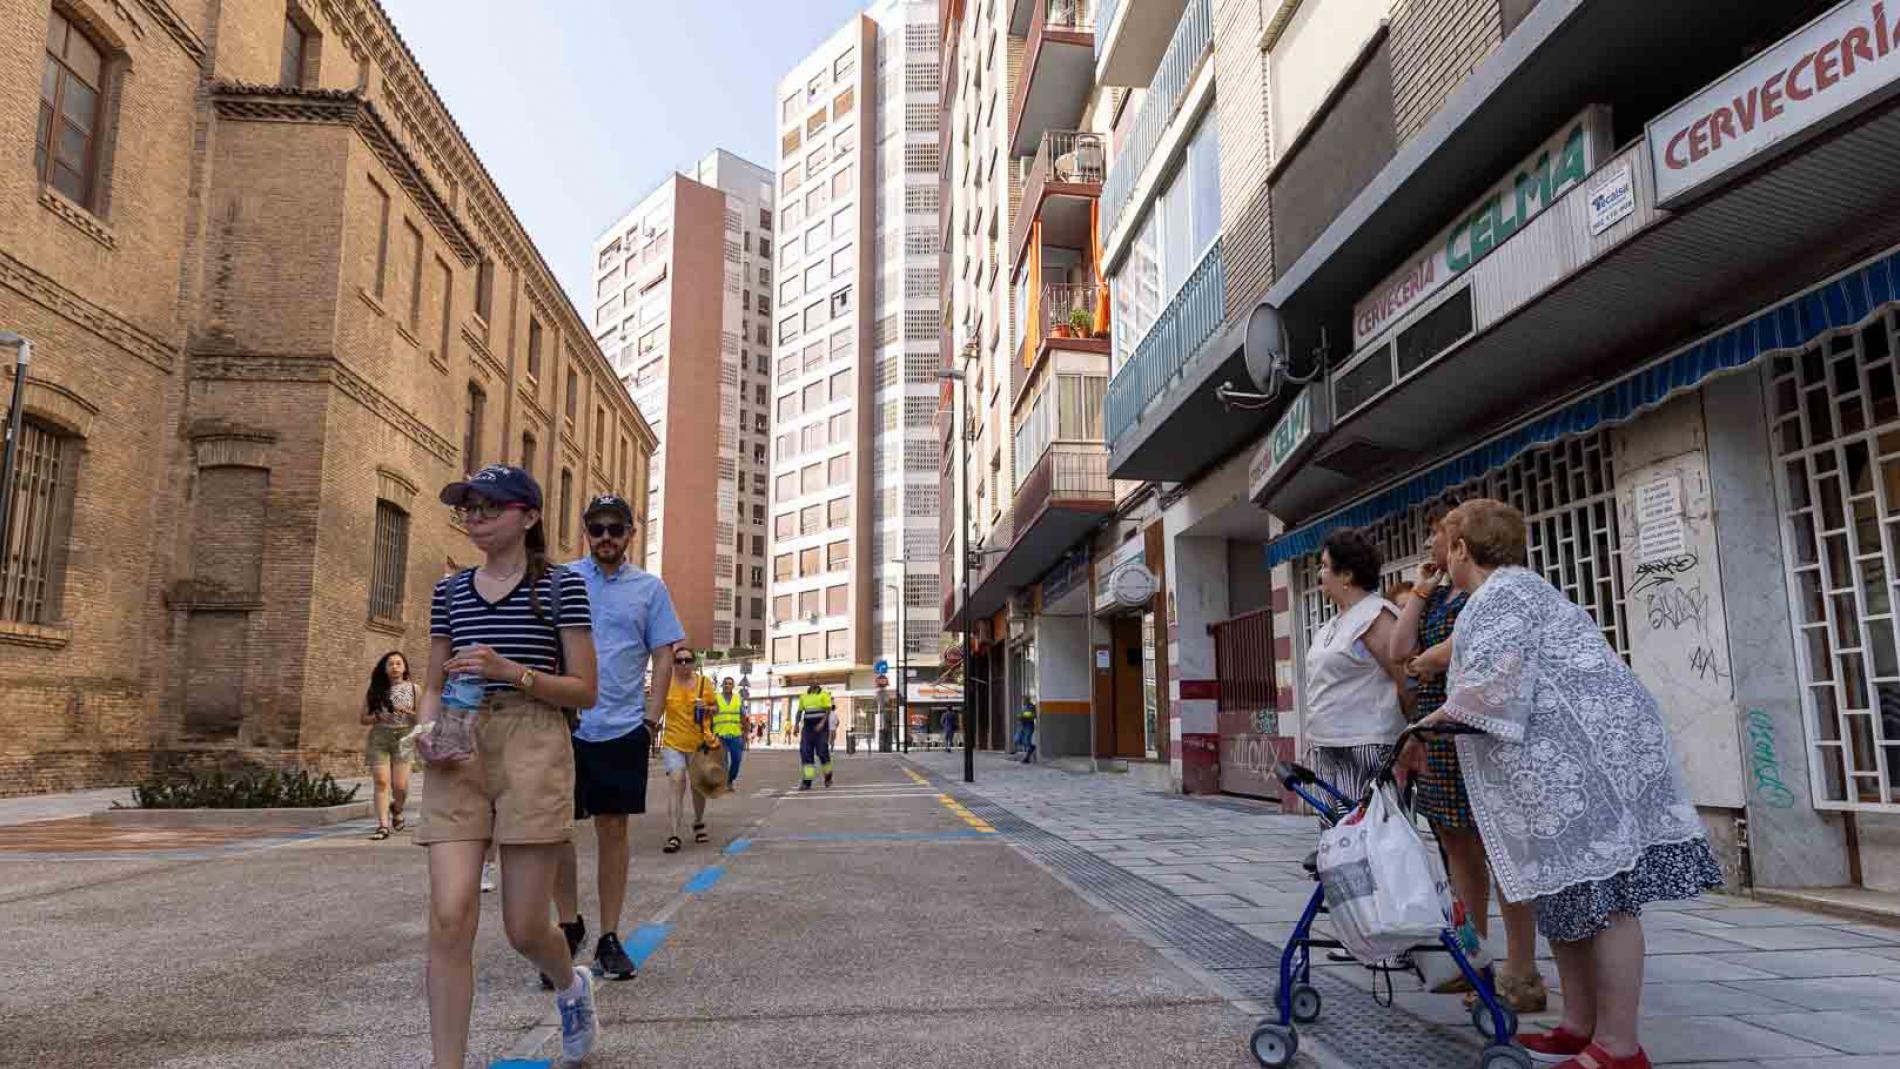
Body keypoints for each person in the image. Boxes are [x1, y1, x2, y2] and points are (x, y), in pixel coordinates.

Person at [1416, 499, 1721, 1069]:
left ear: (1461, 549)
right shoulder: (1508, 593)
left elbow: (1495, 686)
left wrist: (1428, 721)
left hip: (1590, 764)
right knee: (1563, 891)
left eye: (1444, 543)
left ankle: (1619, 1047)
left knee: (1605, 896)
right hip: (1564, 763)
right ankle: (1580, 1025)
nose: (1439, 554)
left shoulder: (1505, 594)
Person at [413, 464, 602, 1067]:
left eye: (489, 507)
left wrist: (510, 671)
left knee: (524, 927)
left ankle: (571, 985)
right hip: (458, 741)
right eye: (467, 507)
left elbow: (585, 689)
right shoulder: (448, 590)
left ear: (529, 515)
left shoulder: (561, 587)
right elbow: (435, 675)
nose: (474, 517)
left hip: (533, 738)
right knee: (449, 915)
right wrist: (425, 725)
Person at [1389, 502, 1545, 1012]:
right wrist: (1419, 590)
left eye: (1437, 536)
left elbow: (1460, 651)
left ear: (1461, 543)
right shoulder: (1438, 596)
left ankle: (1521, 971)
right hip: (1441, 733)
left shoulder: (1492, 595)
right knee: (1458, 850)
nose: (1431, 546)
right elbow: (1400, 650)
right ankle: (1471, 956)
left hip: (1480, 732)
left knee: (1501, 851)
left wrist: (1431, 660)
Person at [552, 493, 684, 985]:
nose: (606, 537)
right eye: (597, 528)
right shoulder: (562, 580)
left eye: (615, 528)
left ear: (631, 534)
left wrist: (651, 721)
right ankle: (567, 926)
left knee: (613, 829)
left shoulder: (650, 590)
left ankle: (609, 936)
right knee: (556, 828)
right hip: (566, 725)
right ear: (586, 532)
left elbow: (665, 654)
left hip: (623, 725)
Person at [1302, 528, 1409, 807]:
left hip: (1366, 745)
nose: (1319, 575)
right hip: (1328, 745)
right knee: (1337, 836)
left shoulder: (1375, 615)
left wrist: (1413, 736)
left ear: (1347, 574)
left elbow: (1405, 679)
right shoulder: (1333, 623)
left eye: (1325, 567)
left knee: (1369, 835)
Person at [659, 647, 720, 852]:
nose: (684, 664)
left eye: (687, 660)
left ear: (694, 662)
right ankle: (674, 834)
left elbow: (716, 708)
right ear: (674, 664)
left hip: (697, 743)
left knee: (697, 786)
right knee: (676, 780)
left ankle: (698, 821)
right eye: (679, 661)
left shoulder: (704, 683)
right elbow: (656, 707)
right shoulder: (666, 683)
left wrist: (708, 708)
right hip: (672, 742)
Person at [361, 651, 418, 840]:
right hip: (380, 737)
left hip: (405, 737)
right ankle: (383, 826)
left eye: (398, 663)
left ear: (404, 667)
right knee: (381, 782)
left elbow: (421, 718)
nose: (394, 667)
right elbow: (363, 718)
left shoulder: (414, 689)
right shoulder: (375, 690)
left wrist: (407, 711)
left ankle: (398, 808)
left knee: (400, 786)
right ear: (384, 669)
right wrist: (378, 716)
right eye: (390, 664)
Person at [798, 683, 836, 789]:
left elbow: (828, 710)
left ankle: (828, 777)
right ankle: (807, 781)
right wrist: (796, 725)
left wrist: (822, 723)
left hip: (821, 729)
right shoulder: (803, 696)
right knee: (805, 752)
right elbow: (800, 711)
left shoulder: (824, 695)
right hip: (807, 728)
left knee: (822, 752)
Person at [712, 677, 747, 787]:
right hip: (720, 734)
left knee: (737, 760)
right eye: (725, 683)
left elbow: (743, 716)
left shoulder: (738, 699)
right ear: (722, 685)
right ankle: (724, 781)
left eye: (730, 683)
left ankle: (730, 779)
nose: (727, 685)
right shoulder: (715, 698)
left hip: (735, 734)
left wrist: (745, 733)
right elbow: (710, 715)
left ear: (733, 686)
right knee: (723, 761)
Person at [1014, 697, 1037, 763]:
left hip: (1028, 726)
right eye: (1023, 700)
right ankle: (1031, 748)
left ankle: (1027, 756)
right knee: (1017, 739)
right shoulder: (1022, 707)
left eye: (1024, 700)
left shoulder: (1031, 706)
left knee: (1027, 740)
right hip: (1022, 726)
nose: (1023, 701)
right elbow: (1020, 714)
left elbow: (1032, 715)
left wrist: (1022, 715)